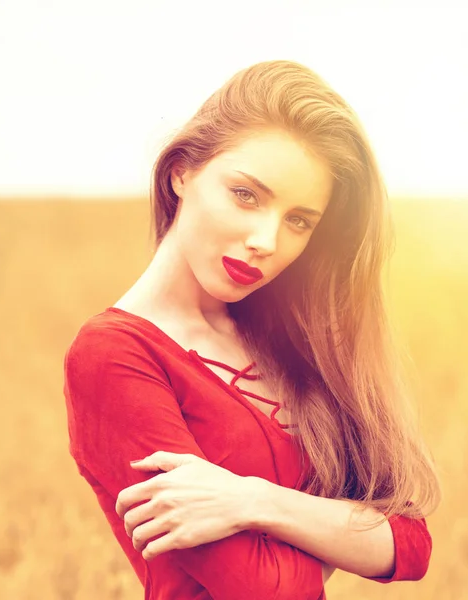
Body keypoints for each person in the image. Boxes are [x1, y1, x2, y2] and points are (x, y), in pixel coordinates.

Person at [63, 59, 441, 599]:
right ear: (181, 172)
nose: (267, 239)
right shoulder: (112, 356)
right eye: (246, 195)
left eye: (299, 220)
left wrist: (249, 501)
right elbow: (263, 590)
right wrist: (338, 535)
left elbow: (409, 543)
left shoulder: (288, 336)